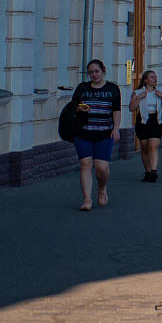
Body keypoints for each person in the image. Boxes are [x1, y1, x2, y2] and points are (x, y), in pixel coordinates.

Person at [68, 59, 120, 210]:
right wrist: (79, 109)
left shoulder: (113, 89)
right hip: (84, 132)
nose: (94, 75)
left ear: (103, 70)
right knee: (85, 164)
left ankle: (102, 187)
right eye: (91, 72)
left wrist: (116, 128)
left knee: (101, 167)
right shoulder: (82, 88)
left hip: (104, 133)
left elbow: (116, 110)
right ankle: (87, 200)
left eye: (96, 71)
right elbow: (73, 107)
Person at [129, 69, 162, 183]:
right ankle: (148, 172)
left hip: (156, 120)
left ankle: (154, 171)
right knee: (145, 148)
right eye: (152, 77)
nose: (155, 79)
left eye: (155, 77)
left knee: (153, 147)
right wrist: (139, 98)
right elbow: (131, 108)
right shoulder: (138, 92)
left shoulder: (160, 92)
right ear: (146, 80)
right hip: (143, 121)